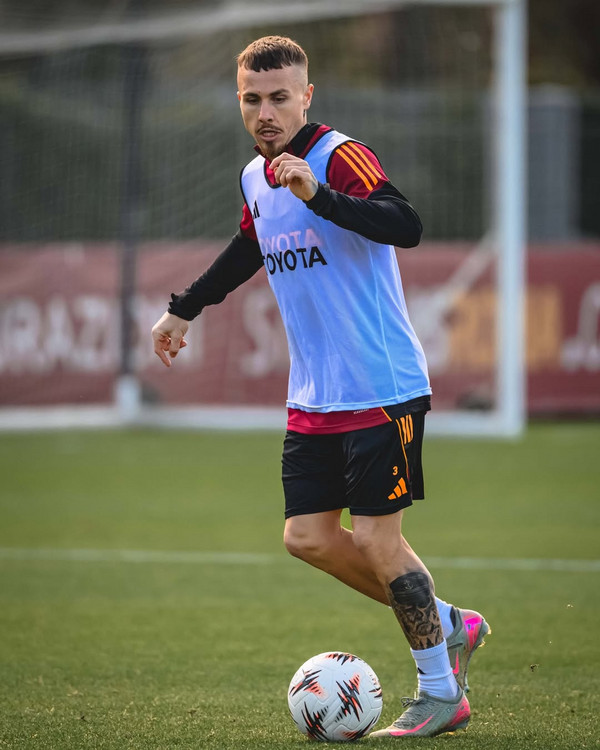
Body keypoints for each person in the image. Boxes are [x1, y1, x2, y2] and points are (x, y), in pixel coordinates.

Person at [151, 35, 489, 739]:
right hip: (314, 393)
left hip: (380, 383)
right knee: (306, 537)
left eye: (280, 97)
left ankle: (440, 692)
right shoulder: (254, 176)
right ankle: (449, 622)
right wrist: (185, 307)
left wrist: (321, 194)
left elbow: (406, 224)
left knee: (378, 540)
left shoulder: (339, 155)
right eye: (252, 99)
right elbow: (251, 245)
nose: (266, 112)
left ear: (306, 96)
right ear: (239, 101)